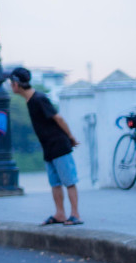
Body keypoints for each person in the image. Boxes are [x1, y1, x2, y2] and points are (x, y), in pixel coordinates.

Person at [10, 67, 82, 225]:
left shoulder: (39, 98)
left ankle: (75, 214)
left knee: (69, 181)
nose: (10, 86)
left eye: (11, 83)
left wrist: (71, 137)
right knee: (55, 183)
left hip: (59, 145)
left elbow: (58, 119)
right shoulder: (30, 101)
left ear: (16, 84)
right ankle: (60, 214)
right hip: (48, 147)